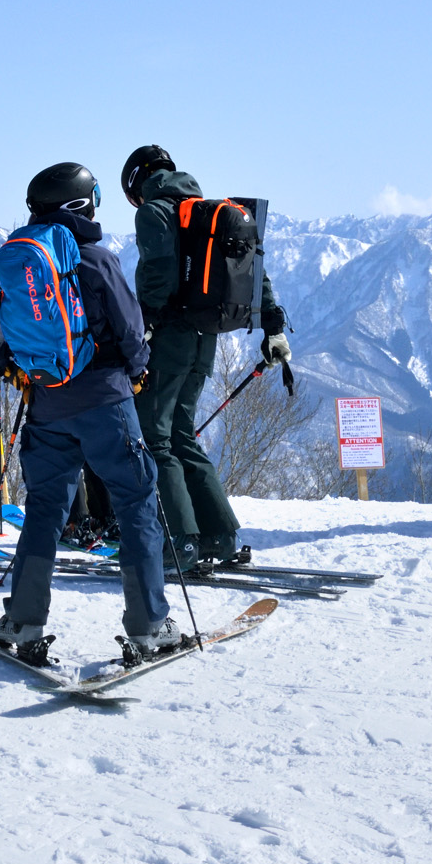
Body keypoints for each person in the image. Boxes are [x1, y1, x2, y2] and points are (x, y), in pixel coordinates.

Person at [0, 161, 185, 663]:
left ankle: (21, 621)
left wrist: (13, 370)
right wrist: (136, 371)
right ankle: (150, 625)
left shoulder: (20, 265)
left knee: (44, 509)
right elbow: (132, 334)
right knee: (136, 503)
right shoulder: (97, 261)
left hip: (46, 404)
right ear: (82, 205)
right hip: (106, 403)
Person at [120, 145, 293, 568]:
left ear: (136, 184)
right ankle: (219, 535)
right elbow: (255, 272)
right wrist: (273, 327)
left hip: (170, 338)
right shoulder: (209, 212)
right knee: (182, 435)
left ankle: (178, 540)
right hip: (206, 337)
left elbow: (158, 272)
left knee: (155, 437)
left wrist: (144, 324)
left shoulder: (155, 212)